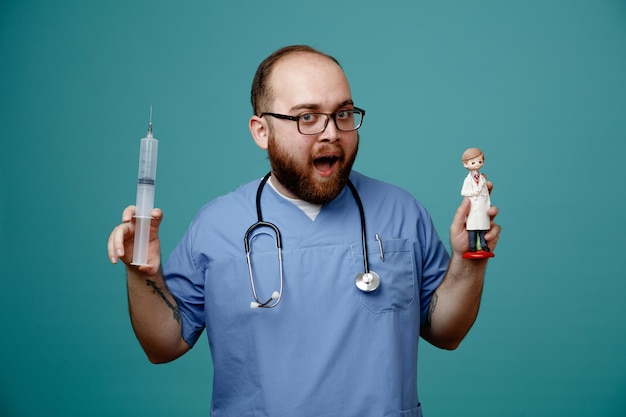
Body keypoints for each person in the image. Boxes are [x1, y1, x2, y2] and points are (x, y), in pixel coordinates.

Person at [107, 45, 501, 417]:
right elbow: (162, 346)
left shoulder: (402, 211)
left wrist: (469, 261)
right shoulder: (216, 226)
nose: (331, 132)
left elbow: (445, 332)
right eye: (307, 117)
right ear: (262, 131)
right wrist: (142, 274)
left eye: (343, 114)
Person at [460, 147, 494, 259]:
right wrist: (473, 193)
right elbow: (463, 192)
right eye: (473, 162)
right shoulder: (467, 180)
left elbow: (486, 192)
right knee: (473, 229)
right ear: (465, 164)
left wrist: (488, 204)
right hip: (473, 207)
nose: (477, 164)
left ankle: (484, 246)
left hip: (483, 206)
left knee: (483, 229)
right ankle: (472, 246)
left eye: (479, 161)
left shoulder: (482, 179)